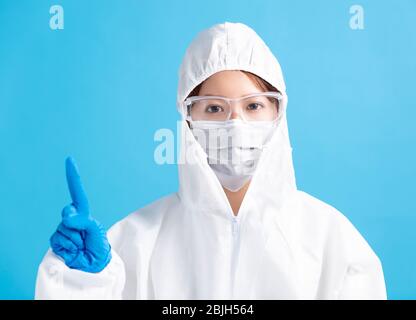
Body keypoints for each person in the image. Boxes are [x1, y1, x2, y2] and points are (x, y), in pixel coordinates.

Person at [35, 22, 387, 299]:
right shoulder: (136, 243)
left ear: (279, 114)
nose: (235, 124)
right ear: (187, 120)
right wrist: (82, 283)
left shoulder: (332, 243)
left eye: (253, 106)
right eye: (214, 108)